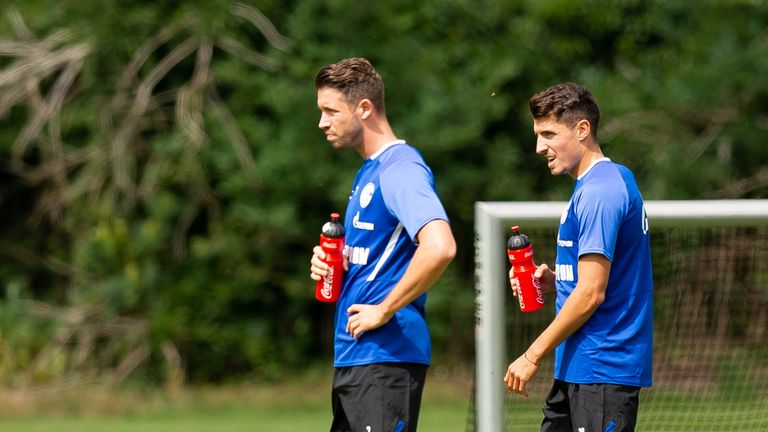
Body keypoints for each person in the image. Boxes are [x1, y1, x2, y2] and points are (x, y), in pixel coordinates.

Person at [309, 57, 456, 432]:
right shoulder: (369, 170)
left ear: (364, 108)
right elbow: (382, 257)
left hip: (385, 357)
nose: (322, 122)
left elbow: (440, 246)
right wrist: (339, 263)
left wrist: (384, 308)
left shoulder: (400, 168)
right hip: (357, 358)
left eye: (330, 111)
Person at [504, 82, 653, 432]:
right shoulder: (606, 180)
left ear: (582, 129)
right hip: (579, 367)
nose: (540, 147)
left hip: (603, 367)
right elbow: (598, 278)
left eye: (549, 134)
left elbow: (592, 293)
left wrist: (531, 355)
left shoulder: (600, 191)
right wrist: (558, 279)